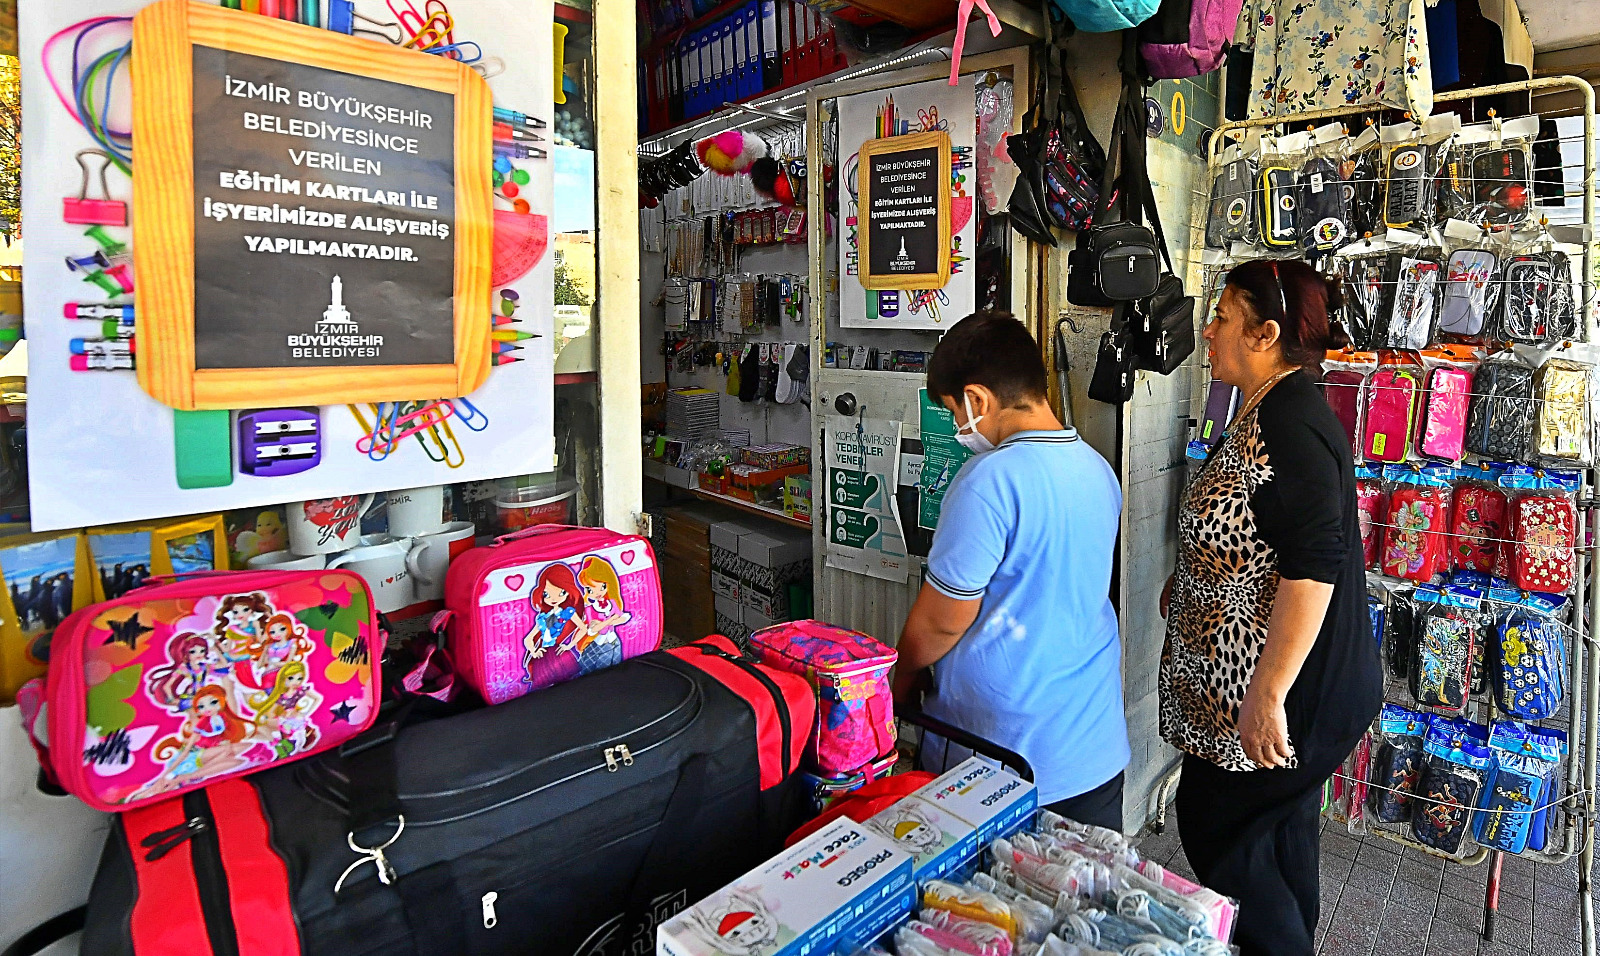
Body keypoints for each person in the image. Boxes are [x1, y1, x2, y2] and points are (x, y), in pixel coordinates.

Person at [1159, 259, 1382, 956]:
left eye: (1223, 315)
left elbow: (1316, 566)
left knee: (1220, 829)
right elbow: (1256, 527)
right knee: (1278, 835)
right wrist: (1188, 575)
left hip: (1288, 692)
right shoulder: (1267, 408)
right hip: (1265, 680)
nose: (1210, 328)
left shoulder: (1292, 425)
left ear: (1266, 333)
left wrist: (1268, 693)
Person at [893, 311, 1128, 830]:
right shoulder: (1096, 469)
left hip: (1005, 764)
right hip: (1092, 749)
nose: (959, 428)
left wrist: (902, 677)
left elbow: (942, 621)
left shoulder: (989, 480)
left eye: (956, 412)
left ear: (977, 400)